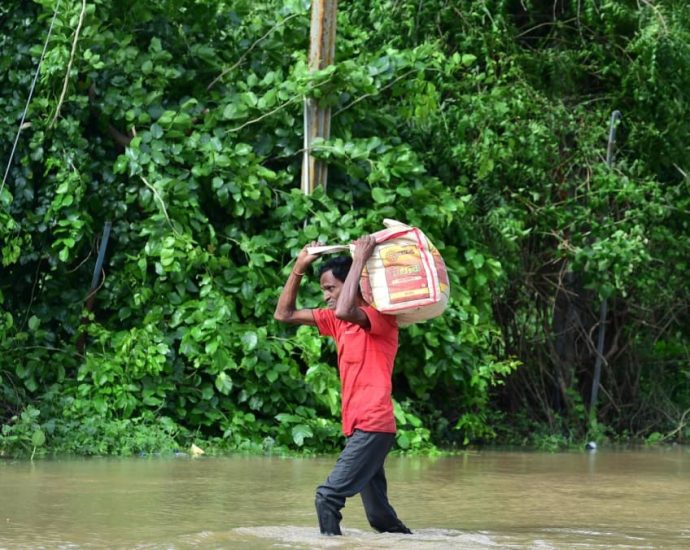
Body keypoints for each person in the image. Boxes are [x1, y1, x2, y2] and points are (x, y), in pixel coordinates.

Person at [274, 235, 413, 536]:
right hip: (358, 428)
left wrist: (360, 260)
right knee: (380, 518)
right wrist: (298, 268)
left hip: (373, 425)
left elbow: (345, 310)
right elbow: (283, 314)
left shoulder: (380, 318)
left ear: (351, 282)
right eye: (323, 289)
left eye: (330, 288)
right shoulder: (338, 323)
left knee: (327, 497)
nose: (325, 296)